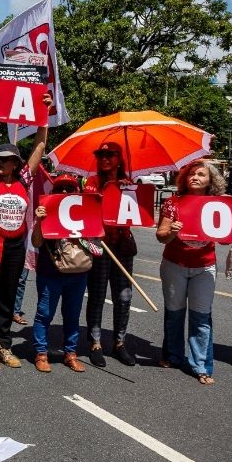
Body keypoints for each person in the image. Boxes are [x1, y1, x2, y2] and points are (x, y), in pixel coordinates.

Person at [0, 99, 50, 371]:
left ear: (15, 164)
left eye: (4, 160)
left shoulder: (24, 179)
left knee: (7, 297)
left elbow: (40, 145)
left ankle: (2, 344)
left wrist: (43, 115)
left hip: (15, 246)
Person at [155, 160, 226, 385]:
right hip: (174, 264)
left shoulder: (218, 204)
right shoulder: (172, 203)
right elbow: (161, 235)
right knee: (174, 312)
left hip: (205, 267)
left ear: (211, 181)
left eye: (201, 174)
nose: (195, 177)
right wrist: (172, 232)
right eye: (191, 174)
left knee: (201, 316)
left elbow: (225, 239)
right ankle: (173, 356)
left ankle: (201, 365)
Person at [30, 175, 95, 373]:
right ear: (53, 192)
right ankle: (41, 353)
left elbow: (97, 240)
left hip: (78, 272)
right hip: (51, 272)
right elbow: (36, 243)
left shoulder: (84, 213)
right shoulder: (46, 212)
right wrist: (39, 221)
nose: (65, 192)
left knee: (72, 314)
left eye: (70, 188)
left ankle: (70, 353)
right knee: (45, 313)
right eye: (61, 188)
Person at [82, 142, 138, 367]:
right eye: (100, 154)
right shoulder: (92, 183)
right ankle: (95, 342)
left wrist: (127, 191)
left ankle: (120, 342)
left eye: (110, 155)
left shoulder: (129, 183)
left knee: (124, 297)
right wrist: (111, 190)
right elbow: (88, 208)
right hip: (100, 245)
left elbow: (137, 213)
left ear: (119, 159)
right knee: (97, 295)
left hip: (122, 245)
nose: (104, 158)